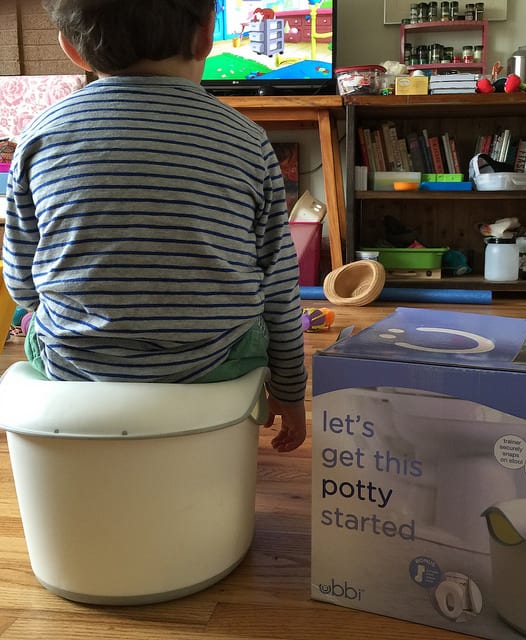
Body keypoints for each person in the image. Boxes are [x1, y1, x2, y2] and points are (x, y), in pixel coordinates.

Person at [2, 0, 307, 452]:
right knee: (255, 317)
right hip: (213, 365)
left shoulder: (39, 135)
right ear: (207, 35)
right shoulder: (247, 139)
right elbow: (279, 286)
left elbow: (20, 279)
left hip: (77, 364)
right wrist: (290, 388)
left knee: (27, 316)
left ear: (72, 49)